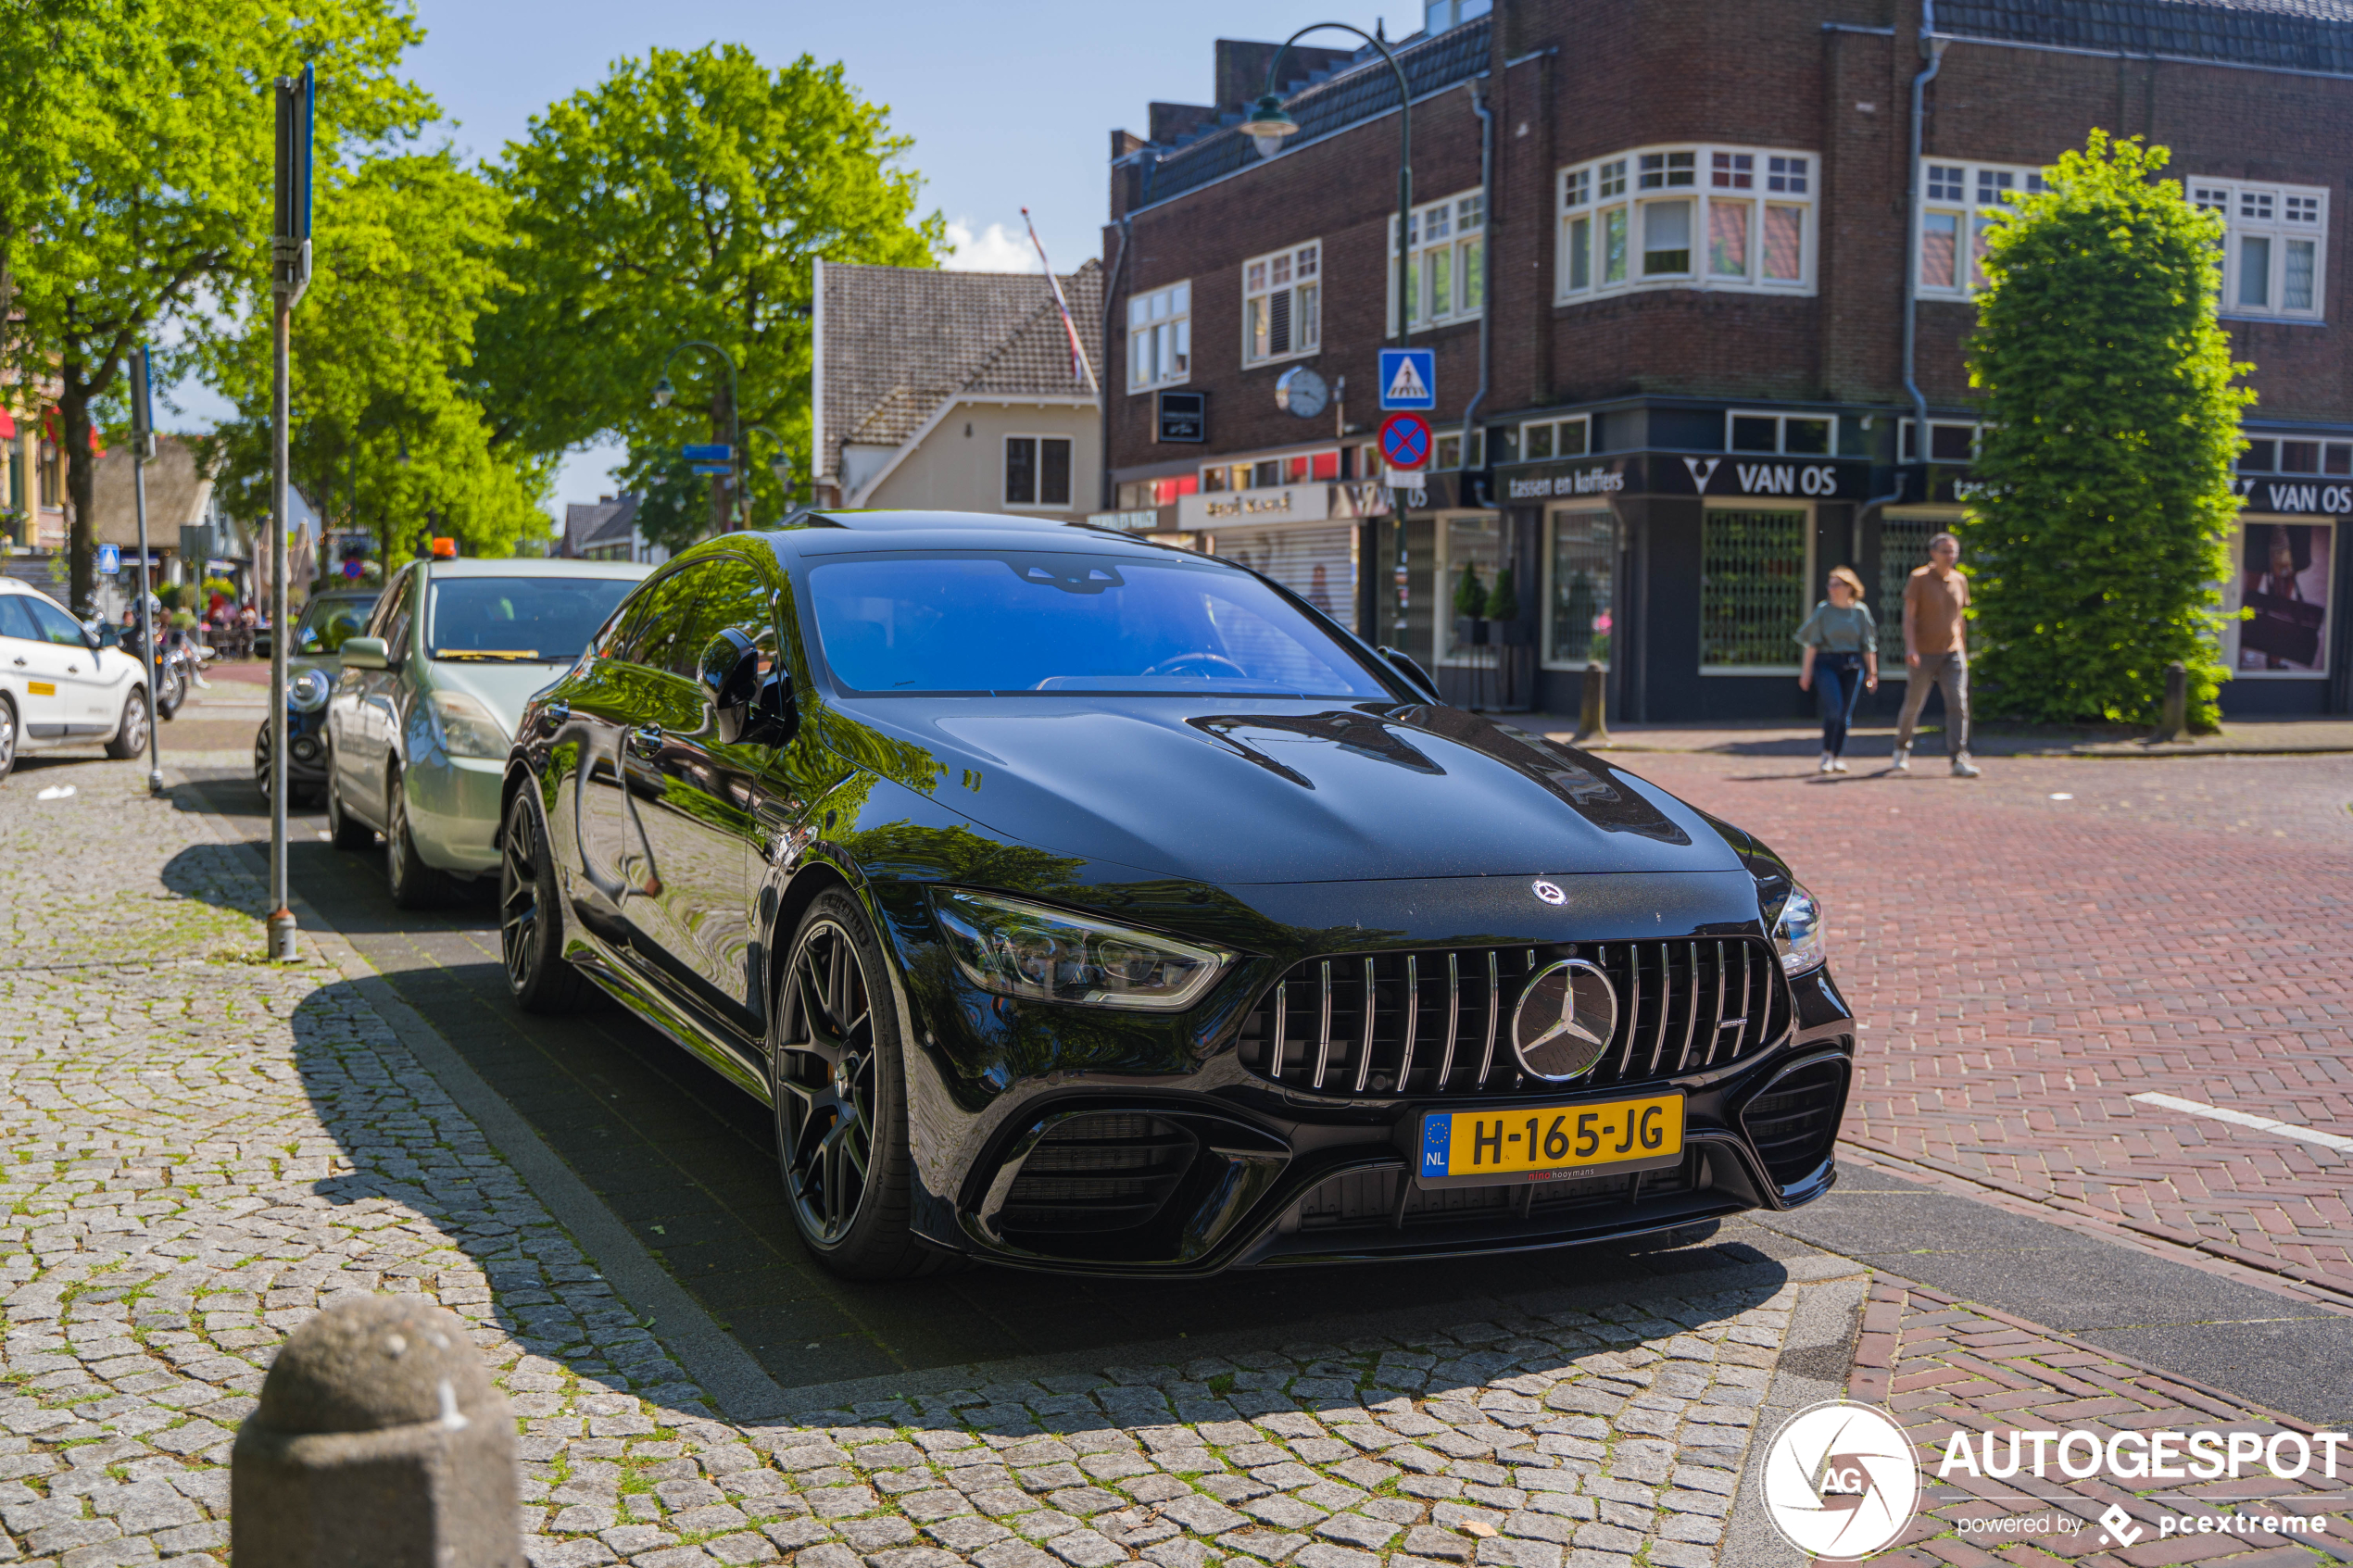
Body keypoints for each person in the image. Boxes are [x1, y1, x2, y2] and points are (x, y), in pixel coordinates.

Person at [1894, 532, 1980, 777]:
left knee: (1957, 703)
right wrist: (1910, 647)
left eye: (1953, 551)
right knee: (1914, 703)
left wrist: (1962, 647)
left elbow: (1959, 617)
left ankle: (1958, 757)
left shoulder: (1960, 579)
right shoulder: (1918, 578)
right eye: (1945, 551)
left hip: (1952, 652)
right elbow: (1909, 618)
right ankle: (1901, 747)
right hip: (1923, 652)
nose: (1950, 556)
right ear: (1933, 553)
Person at [1794, 567, 1878, 773]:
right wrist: (1806, 672)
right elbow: (1811, 643)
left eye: (1836, 585)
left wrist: (1872, 673)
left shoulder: (1860, 611)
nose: (1831, 589)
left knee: (1845, 713)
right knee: (1834, 708)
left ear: (1849, 587)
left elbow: (1868, 645)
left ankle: (1837, 756)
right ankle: (1826, 754)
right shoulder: (1823, 610)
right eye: (1829, 585)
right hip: (1826, 663)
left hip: (1852, 665)